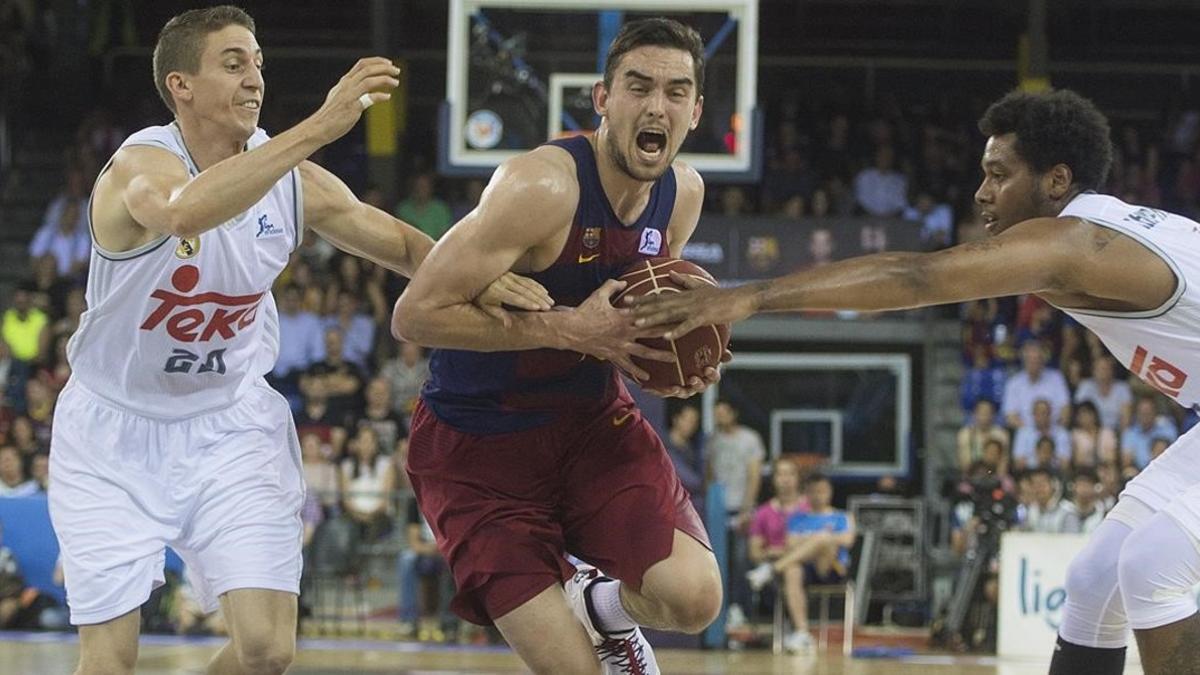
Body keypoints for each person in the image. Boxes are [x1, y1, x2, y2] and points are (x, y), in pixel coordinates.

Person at [47, 7, 549, 675]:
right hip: (113, 429)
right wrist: (322, 125)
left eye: (257, 63)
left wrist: (485, 282)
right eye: (233, 64)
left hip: (228, 423)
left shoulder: (290, 178)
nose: (254, 78)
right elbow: (182, 211)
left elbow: (396, 241)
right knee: (109, 658)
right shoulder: (139, 166)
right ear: (181, 85)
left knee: (267, 649)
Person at [632, 87, 1200, 675]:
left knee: (1152, 566)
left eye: (999, 175)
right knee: (1092, 581)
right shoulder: (1103, 231)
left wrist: (746, 297)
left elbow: (915, 277)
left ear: (1056, 182)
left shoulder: (1081, 243)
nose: (981, 192)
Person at [392, 18, 725, 674]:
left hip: (591, 425)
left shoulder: (683, 194)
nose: (657, 105)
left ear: (696, 111)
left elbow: (648, 318)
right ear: (602, 99)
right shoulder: (541, 186)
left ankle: (599, 606)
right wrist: (562, 326)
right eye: (639, 86)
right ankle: (587, 619)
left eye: (676, 91)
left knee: (695, 597)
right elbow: (415, 315)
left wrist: (681, 359)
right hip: (477, 447)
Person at [748, 473, 854, 653]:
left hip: (831, 568)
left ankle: (771, 570)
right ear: (806, 493)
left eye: (822, 491)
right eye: (813, 492)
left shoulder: (843, 517)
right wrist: (818, 541)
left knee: (822, 539)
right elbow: (790, 544)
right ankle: (802, 633)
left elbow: (847, 540)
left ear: (830, 492)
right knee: (792, 570)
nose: (818, 496)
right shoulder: (796, 518)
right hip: (806, 569)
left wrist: (816, 540)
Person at [745, 456, 811, 653]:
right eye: (780, 474)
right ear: (773, 478)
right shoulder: (763, 513)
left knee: (794, 569)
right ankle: (802, 633)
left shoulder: (809, 507)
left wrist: (781, 551)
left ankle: (799, 631)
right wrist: (773, 552)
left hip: (811, 565)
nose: (786, 479)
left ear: (798, 478)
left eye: (790, 473)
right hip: (779, 569)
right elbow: (754, 552)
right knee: (792, 570)